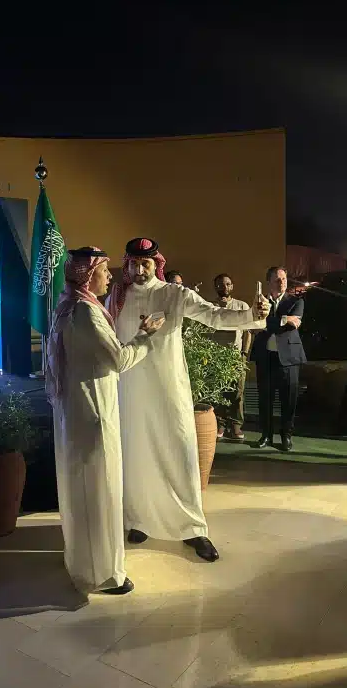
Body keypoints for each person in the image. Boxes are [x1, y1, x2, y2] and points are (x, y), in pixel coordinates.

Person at [106, 238, 269, 562]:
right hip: (131, 390)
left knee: (179, 453)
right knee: (136, 455)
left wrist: (253, 314)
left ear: (156, 264)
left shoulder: (174, 294)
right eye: (134, 264)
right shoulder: (117, 297)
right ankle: (139, 519)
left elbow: (214, 316)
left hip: (169, 389)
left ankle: (193, 528)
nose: (139, 270)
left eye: (145, 264)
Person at [46, 246, 164, 595]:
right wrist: (145, 337)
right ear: (87, 275)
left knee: (82, 489)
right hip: (94, 413)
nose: (111, 277)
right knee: (100, 489)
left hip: (76, 411)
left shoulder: (68, 304)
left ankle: (81, 560)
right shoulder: (85, 311)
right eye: (104, 271)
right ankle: (103, 574)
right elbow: (118, 359)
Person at [250, 265, 306, 451]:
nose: (281, 282)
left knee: (288, 400)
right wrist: (283, 319)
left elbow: (293, 325)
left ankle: (286, 436)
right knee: (265, 399)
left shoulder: (296, 301)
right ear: (269, 282)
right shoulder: (260, 302)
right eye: (277, 279)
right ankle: (266, 435)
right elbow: (253, 323)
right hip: (265, 357)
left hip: (288, 359)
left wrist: (267, 322)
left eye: (284, 279)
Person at [209, 273, 251, 442]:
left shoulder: (241, 306)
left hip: (236, 355)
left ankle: (235, 424)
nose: (224, 287)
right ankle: (219, 423)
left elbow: (248, 331)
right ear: (215, 287)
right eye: (220, 284)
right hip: (216, 356)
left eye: (227, 284)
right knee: (217, 390)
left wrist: (244, 353)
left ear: (232, 286)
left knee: (237, 391)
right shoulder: (210, 306)